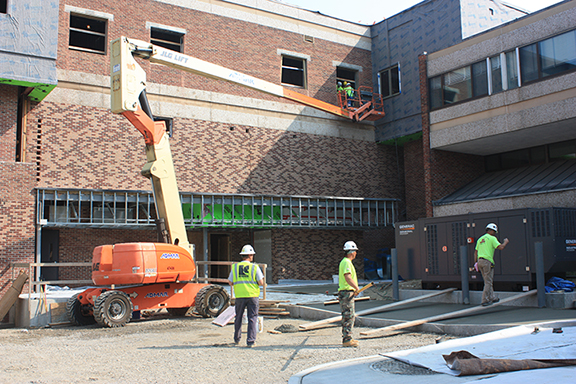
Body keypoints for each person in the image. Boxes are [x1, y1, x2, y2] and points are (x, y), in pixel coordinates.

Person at [228, 244, 265, 347]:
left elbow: (230, 282)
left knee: (238, 318)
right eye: (252, 255)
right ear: (249, 255)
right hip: (252, 296)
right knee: (252, 318)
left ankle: (237, 339)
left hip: (240, 296)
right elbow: (261, 282)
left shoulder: (235, 267)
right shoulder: (254, 267)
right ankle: (251, 341)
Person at [474, 223, 509, 306]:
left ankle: (492, 297)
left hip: (480, 261)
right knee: (488, 282)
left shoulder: (480, 239)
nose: (495, 233)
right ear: (492, 231)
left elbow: (475, 252)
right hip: (487, 262)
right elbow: (501, 247)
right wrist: (505, 242)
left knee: (487, 280)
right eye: (494, 231)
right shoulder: (492, 238)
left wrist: (475, 263)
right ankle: (484, 300)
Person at [338, 241, 360, 347]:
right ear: (351, 252)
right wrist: (356, 287)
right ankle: (347, 339)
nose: (356, 253)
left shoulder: (345, 262)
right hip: (347, 293)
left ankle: (348, 337)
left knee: (348, 315)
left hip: (347, 292)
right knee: (348, 315)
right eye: (355, 251)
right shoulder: (346, 262)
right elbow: (348, 277)